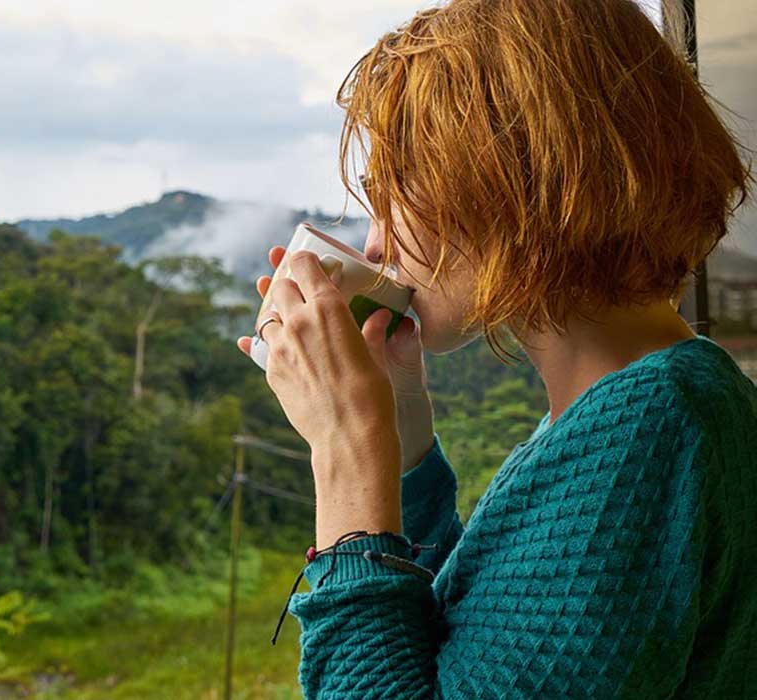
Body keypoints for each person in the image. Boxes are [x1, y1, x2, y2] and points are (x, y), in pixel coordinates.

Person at [234, 0, 757, 697]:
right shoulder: (651, 402)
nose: (375, 245)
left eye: (394, 196)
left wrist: (344, 457)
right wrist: (403, 441)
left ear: (507, 181)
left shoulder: (648, 430)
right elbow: (486, 649)